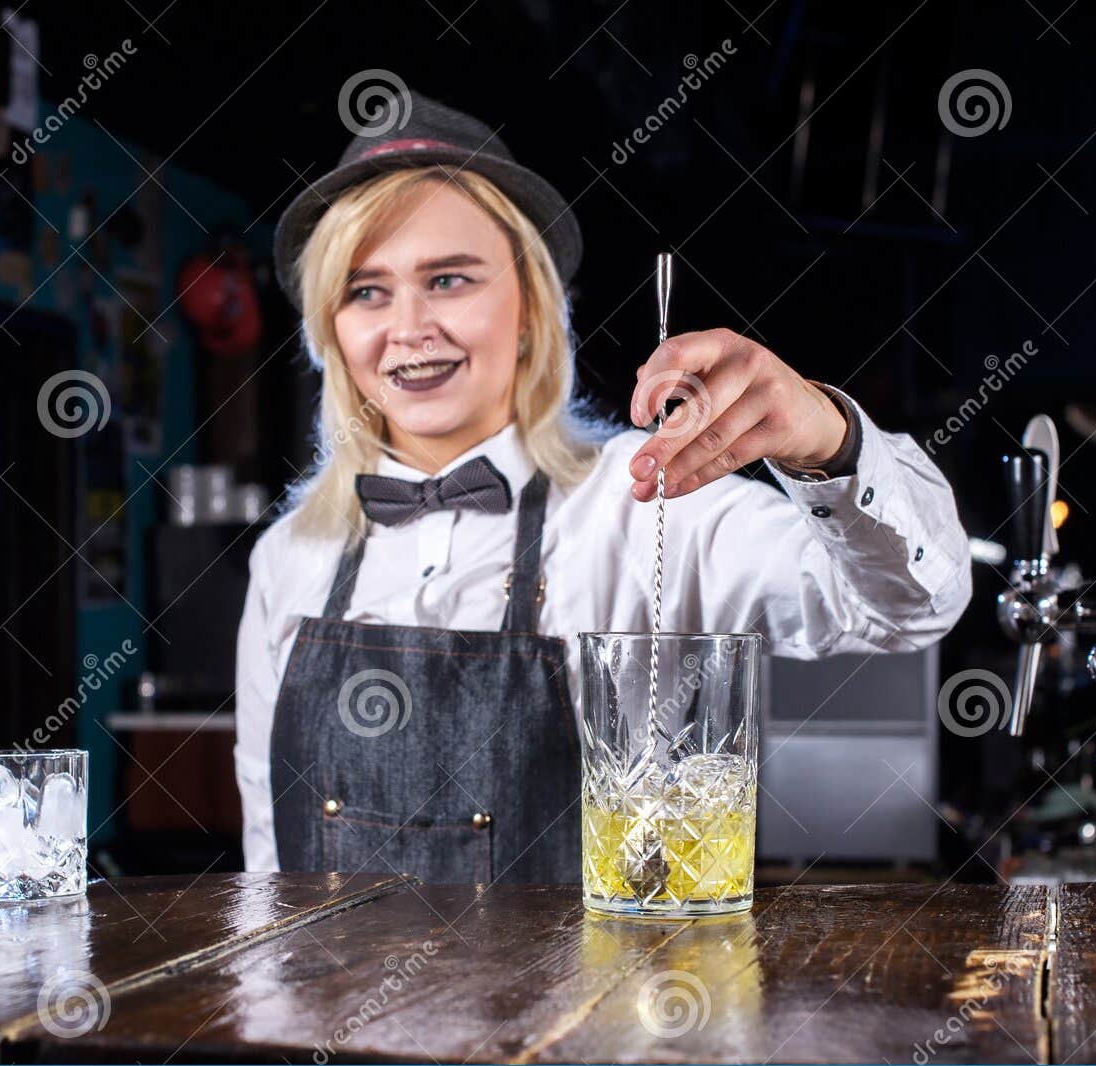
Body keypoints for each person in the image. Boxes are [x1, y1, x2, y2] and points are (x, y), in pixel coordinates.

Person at [235, 91, 971, 881]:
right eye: (365, 290)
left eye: (449, 279)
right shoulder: (289, 556)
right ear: (331, 329)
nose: (408, 325)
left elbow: (908, 608)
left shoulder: (654, 503)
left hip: (591, 1003)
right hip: (337, 1007)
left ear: (529, 310)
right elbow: (269, 859)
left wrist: (828, 437)